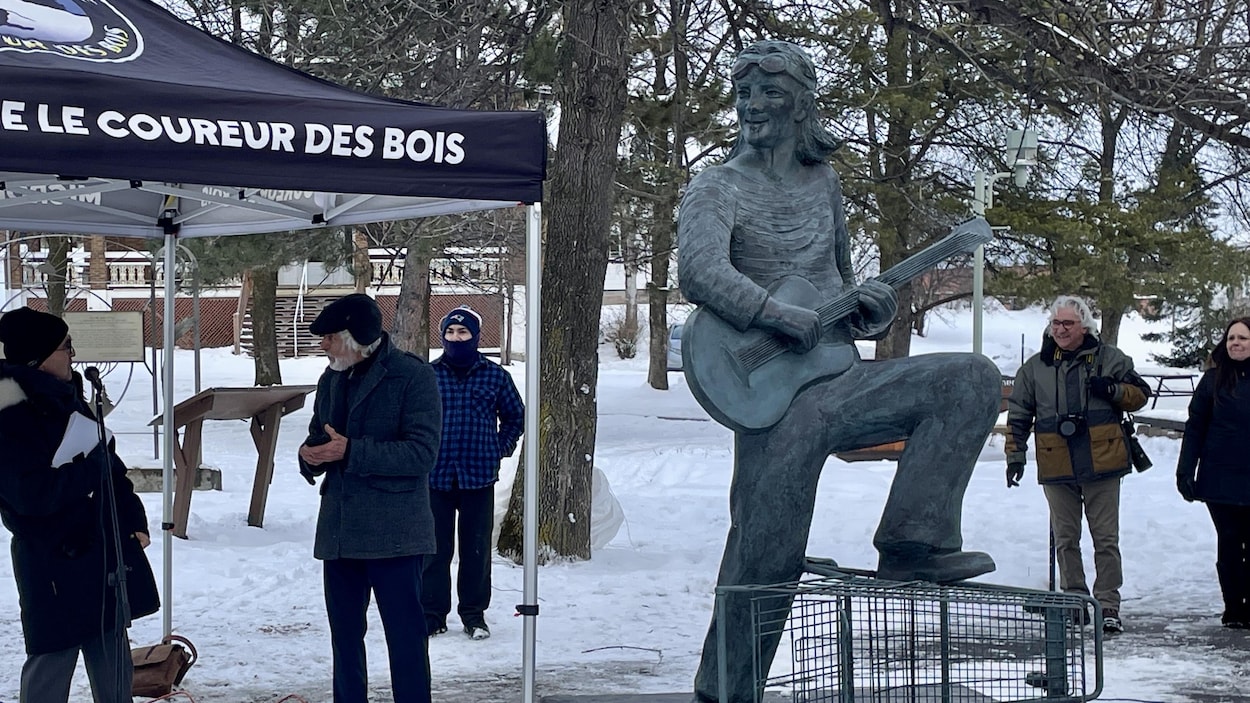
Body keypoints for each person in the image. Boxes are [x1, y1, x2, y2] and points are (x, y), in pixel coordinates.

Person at [678, 40, 1002, 703]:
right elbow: (700, 271)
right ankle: (726, 692)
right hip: (773, 397)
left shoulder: (825, 183)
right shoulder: (717, 186)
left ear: (800, 104)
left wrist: (873, 313)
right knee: (766, 555)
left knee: (971, 376)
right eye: (744, 93)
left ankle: (914, 539)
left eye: (769, 93)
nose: (752, 105)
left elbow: (840, 293)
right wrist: (771, 311)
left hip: (843, 380)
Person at [0, 306, 158, 703]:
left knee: (111, 651)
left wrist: (132, 518)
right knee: (52, 661)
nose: (73, 353)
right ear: (37, 357)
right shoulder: (10, 414)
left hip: (100, 550)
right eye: (66, 346)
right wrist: (90, 470)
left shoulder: (69, 397)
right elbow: (31, 496)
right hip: (51, 559)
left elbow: (111, 466)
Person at [297, 293, 442, 703]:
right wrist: (309, 458)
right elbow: (319, 438)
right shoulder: (331, 378)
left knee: (406, 639)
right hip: (341, 534)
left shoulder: (412, 377)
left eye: (329, 337)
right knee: (344, 639)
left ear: (357, 337)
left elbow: (421, 453)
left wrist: (352, 451)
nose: (323, 346)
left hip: (396, 535)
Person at [1005, 295, 1151, 635]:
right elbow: (1018, 416)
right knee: (1066, 538)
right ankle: (1074, 599)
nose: (1060, 330)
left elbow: (1140, 394)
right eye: (1056, 323)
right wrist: (1015, 456)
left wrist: (1113, 389)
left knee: (1105, 539)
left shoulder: (1111, 359)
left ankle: (1108, 604)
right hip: (1057, 465)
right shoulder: (1034, 368)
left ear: (1084, 326)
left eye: (1068, 323)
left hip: (1104, 463)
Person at [421, 306, 524, 640]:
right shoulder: (428, 375)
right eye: (450, 333)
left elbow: (515, 417)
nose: (456, 338)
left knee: (475, 550)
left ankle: (474, 615)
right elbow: (412, 418)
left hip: (478, 476)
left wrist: (498, 447)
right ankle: (433, 614)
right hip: (435, 476)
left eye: (462, 333)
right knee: (434, 550)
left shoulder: (495, 376)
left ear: (475, 337)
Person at [1176, 316, 1250, 628]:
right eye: (1232, 338)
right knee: (1230, 542)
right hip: (1219, 478)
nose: (1236, 343)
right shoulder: (1212, 380)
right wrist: (1185, 471)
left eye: (1243, 338)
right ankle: (1233, 607)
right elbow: (1195, 428)